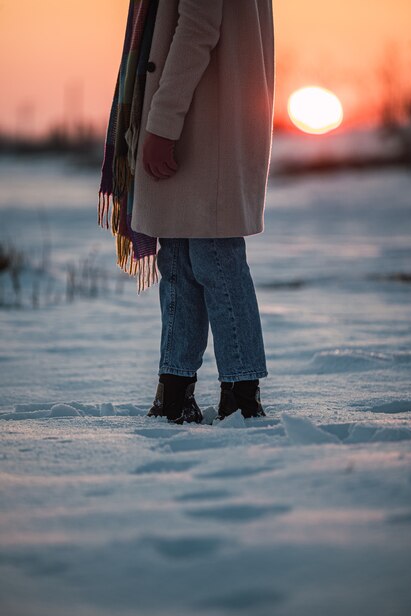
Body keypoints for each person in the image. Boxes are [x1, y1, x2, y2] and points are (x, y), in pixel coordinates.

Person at [133, 0, 275, 424]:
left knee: (214, 253)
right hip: (196, 115)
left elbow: (197, 25)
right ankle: (174, 391)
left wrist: (163, 120)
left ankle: (241, 395)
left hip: (200, 117)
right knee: (176, 254)